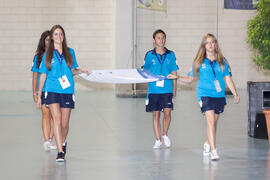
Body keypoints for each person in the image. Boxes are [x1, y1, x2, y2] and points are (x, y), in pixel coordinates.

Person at [167, 33, 240, 160]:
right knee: (210, 121)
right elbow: (190, 79)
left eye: (213, 42)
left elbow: (227, 78)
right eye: (208, 42)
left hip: (219, 95)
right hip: (205, 94)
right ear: (204, 45)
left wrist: (235, 94)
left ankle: (207, 143)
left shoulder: (223, 60)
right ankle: (214, 150)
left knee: (214, 122)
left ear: (215, 44)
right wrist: (177, 77)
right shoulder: (199, 61)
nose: (210, 45)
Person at [36, 25, 90, 162]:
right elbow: (42, 75)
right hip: (51, 89)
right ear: (52, 37)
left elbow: (72, 70)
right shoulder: (47, 54)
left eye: (61, 34)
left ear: (63, 36)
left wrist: (82, 71)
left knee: (65, 123)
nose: (59, 37)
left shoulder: (70, 52)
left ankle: (63, 141)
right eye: (56, 34)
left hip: (67, 90)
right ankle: (60, 152)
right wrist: (38, 95)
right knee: (57, 120)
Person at [142, 29, 179, 149]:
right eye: (158, 38)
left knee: (167, 113)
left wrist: (174, 89)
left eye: (163, 37)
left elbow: (174, 72)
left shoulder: (171, 54)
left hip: (167, 89)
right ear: (154, 40)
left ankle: (165, 134)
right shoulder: (149, 55)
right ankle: (158, 139)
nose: (161, 40)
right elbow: (145, 71)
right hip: (154, 90)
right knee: (156, 115)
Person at [31, 30, 56, 151]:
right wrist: (35, 93)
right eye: (47, 40)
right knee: (46, 114)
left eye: (51, 40)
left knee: (53, 115)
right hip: (42, 90)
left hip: (55, 90)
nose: (49, 42)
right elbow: (35, 76)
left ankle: (51, 139)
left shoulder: (57, 55)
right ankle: (46, 140)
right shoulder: (38, 57)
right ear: (43, 41)